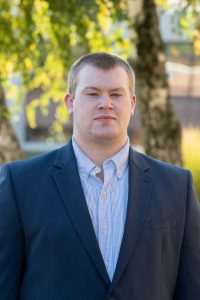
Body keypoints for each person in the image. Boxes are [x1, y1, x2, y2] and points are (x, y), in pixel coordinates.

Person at [0, 52, 200, 300]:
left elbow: (193, 288)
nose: (106, 103)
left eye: (116, 94)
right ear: (70, 103)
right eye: (93, 93)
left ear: (133, 104)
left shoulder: (177, 187)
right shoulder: (21, 184)